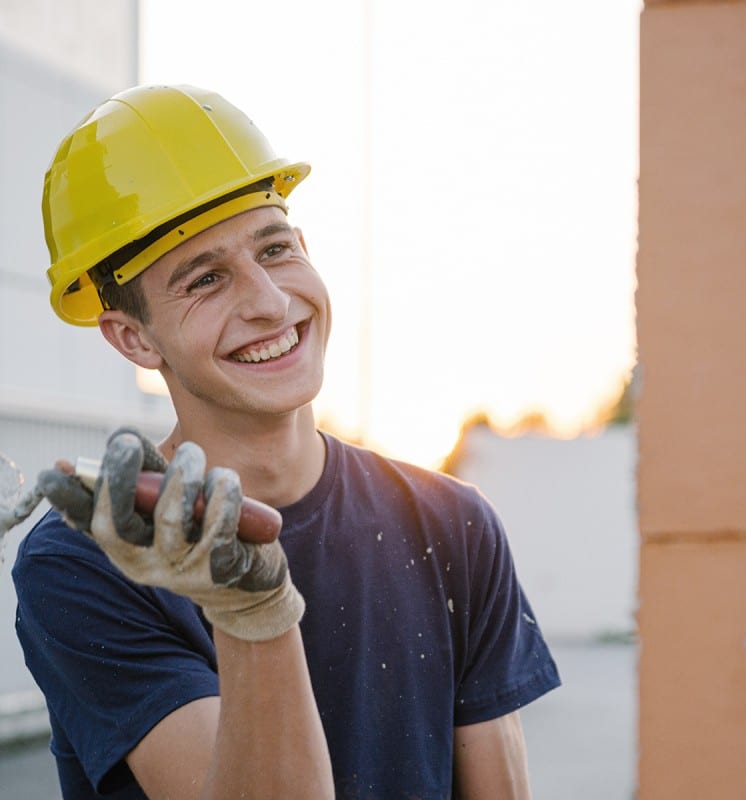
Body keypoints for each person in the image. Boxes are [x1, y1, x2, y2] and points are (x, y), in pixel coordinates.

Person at [12, 84, 560, 800]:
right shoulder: (91, 561)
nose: (270, 302)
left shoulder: (451, 524)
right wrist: (250, 613)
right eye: (205, 279)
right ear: (133, 336)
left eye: (275, 250)